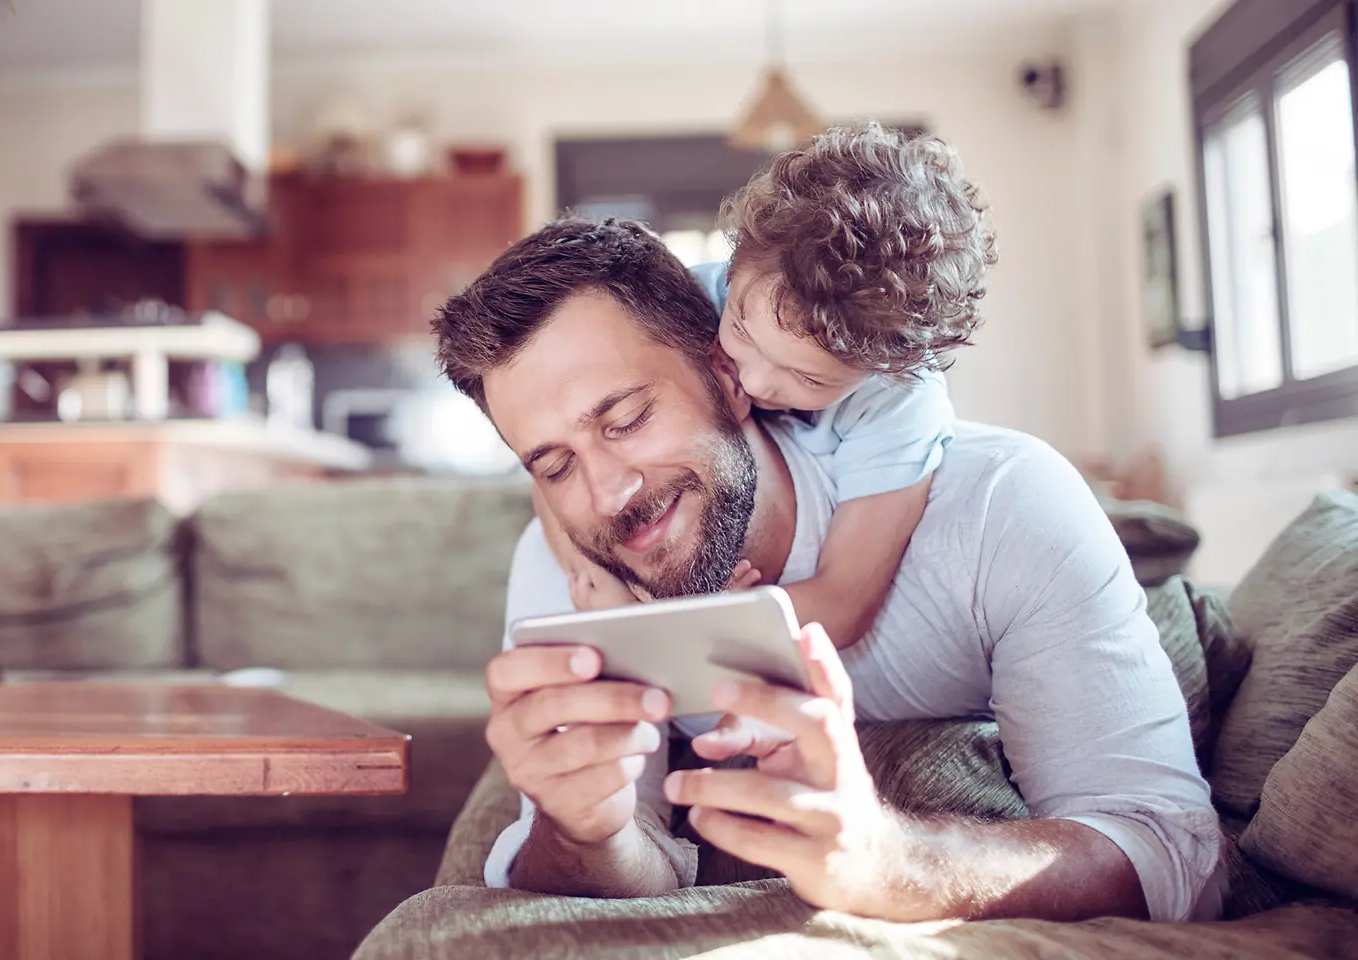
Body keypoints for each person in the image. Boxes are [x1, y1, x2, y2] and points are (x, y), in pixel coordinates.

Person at [433, 217, 1221, 924]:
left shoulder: (998, 504)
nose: (610, 492)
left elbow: (1173, 853)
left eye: (628, 418)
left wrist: (892, 861)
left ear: (729, 376)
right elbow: (627, 865)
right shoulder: (562, 567)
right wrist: (585, 830)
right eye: (555, 464)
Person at [538, 124, 990, 658]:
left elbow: (842, 603)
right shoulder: (683, 305)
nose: (752, 381)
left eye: (809, 379)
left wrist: (699, 621)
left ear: (881, 370)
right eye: (742, 333)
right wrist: (602, 584)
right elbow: (553, 446)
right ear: (734, 269)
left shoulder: (898, 400)